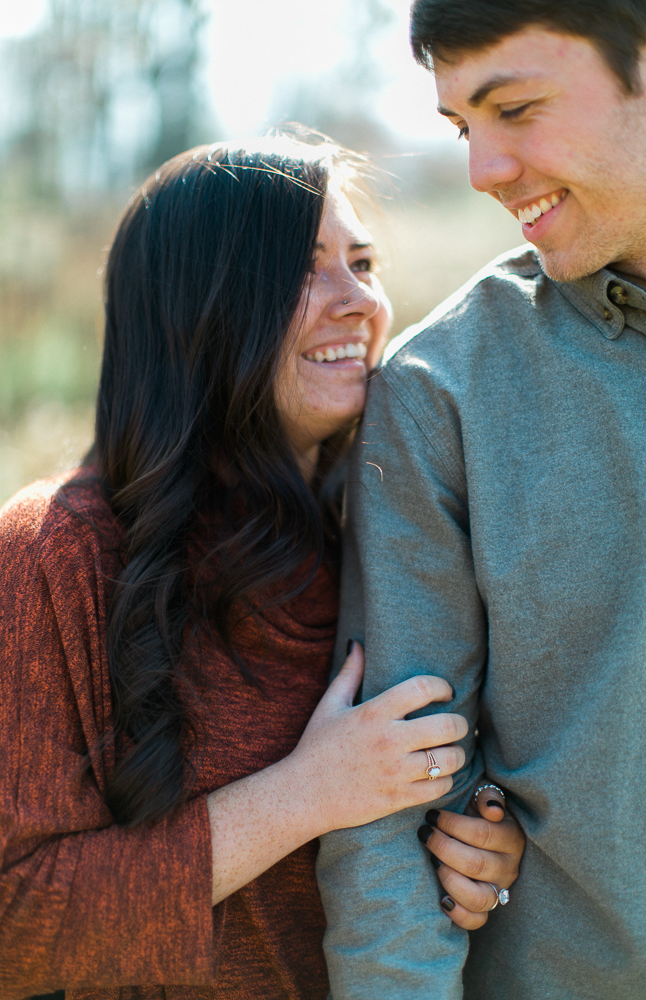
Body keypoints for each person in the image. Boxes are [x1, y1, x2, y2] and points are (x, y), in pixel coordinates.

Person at [0, 133, 524, 1000]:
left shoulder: (400, 531)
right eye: (305, 269)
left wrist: (482, 859)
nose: (360, 302)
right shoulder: (56, 553)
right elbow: (5, 928)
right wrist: (303, 795)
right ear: (198, 307)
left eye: (363, 261)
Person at [316, 3, 646, 999]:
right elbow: (391, 818)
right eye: (464, 126)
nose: (483, 169)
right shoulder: (441, 393)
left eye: (515, 107)